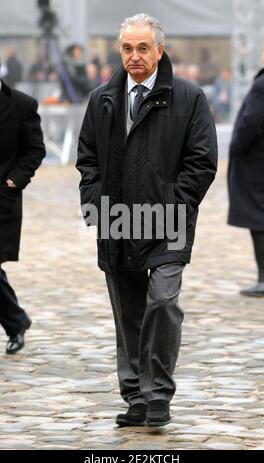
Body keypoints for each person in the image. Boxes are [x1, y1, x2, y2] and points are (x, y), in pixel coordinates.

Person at [77, 13, 217, 427]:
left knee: (163, 303)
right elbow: (87, 160)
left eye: (142, 48)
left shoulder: (189, 98)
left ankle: (159, 394)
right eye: (126, 48)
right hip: (117, 220)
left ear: (159, 50)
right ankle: (137, 396)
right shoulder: (102, 99)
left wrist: (178, 202)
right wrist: (95, 204)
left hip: (169, 220)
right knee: (128, 312)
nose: (134, 56)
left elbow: (203, 160)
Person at [0, 66, 45, 354]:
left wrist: (14, 180)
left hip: (2, 200)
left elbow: (35, 150)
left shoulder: (22, 104)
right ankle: (16, 321)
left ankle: (16, 322)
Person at [228, 66, 264, 297]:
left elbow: (250, 122)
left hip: (256, 163)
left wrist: (236, 146)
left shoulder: (262, 86)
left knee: (258, 219)